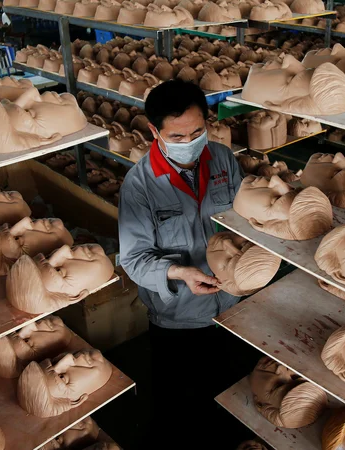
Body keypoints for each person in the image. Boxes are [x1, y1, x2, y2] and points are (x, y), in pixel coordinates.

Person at [118, 79, 250, 443]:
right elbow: (133, 259)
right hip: (180, 320)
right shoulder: (139, 185)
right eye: (177, 137)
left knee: (234, 399)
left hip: (234, 306)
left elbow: (243, 219)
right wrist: (178, 272)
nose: (190, 143)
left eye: (198, 132)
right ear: (154, 131)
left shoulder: (222, 158)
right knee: (182, 413)